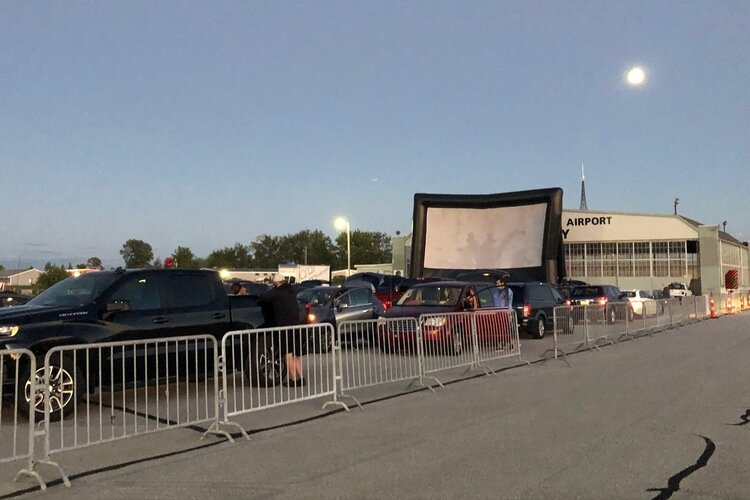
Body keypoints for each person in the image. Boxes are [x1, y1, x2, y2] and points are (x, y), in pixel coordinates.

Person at [257, 274, 306, 386]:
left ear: (276, 283)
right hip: (296, 325)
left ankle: (293, 379)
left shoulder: (276, 292)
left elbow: (263, 299)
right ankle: (301, 378)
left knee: (287, 354)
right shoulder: (292, 291)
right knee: (296, 354)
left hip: (284, 326)